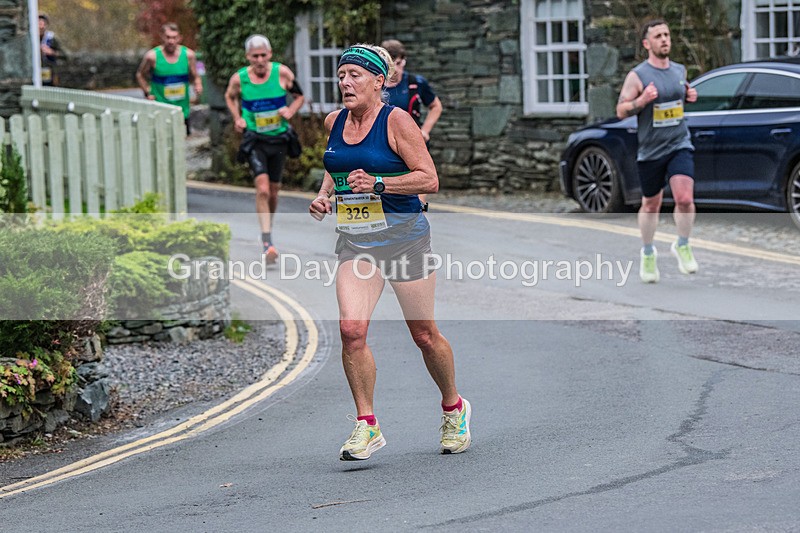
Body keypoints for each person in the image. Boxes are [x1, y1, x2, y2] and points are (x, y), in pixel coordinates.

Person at [308, 44, 471, 461]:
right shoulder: (334, 122)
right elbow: (337, 164)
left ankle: (454, 407)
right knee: (351, 331)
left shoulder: (397, 121)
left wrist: (378, 184)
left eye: (354, 75)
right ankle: (367, 424)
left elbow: (429, 179)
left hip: (404, 239)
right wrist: (325, 195)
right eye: (341, 75)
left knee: (424, 335)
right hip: (357, 243)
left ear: (378, 82)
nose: (345, 82)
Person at [616, 19, 699, 283]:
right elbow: (621, 110)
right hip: (651, 150)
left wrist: (689, 96)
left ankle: (683, 244)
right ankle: (648, 252)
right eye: (658, 36)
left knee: (685, 198)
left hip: (679, 143)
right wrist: (641, 101)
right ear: (647, 44)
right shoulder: (638, 76)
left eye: (667, 34)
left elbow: (678, 97)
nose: (665, 39)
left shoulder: (679, 71)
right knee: (651, 205)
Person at [225, 35, 305, 263]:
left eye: (263, 55)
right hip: (255, 140)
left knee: (274, 190)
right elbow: (229, 97)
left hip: (278, 139)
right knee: (262, 189)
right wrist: (237, 118)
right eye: (254, 56)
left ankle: (268, 225)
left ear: (269, 54)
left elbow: (299, 96)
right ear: (248, 57)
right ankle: (267, 241)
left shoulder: (282, 73)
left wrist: (290, 111)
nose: (259, 60)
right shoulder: (239, 79)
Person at [380, 39, 443, 208]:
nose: (395, 69)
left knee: (417, 194)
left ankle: (418, 209)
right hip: (384, 143)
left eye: (398, 63)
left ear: (404, 61)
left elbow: (436, 106)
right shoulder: (375, 85)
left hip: (412, 141)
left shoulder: (416, 83)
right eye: (390, 64)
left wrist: (425, 130)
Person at [136, 23, 203, 135]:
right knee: (161, 139)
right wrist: (147, 92)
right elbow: (140, 75)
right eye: (168, 37)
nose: (171, 41)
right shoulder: (152, 57)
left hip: (182, 109)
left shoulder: (188, 55)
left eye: (174, 37)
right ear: (162, 37)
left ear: (179, 38)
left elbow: (195, 76)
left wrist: (198, 85)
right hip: (160, 108)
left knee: (182, 140)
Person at [38, 14, 67, 86]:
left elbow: (65, 55)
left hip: (50, 74)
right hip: (34, 74)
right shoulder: (29, 39)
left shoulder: (51, 38)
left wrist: (52, 52)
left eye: (43, 24)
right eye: (38, 24)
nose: (41, 27)